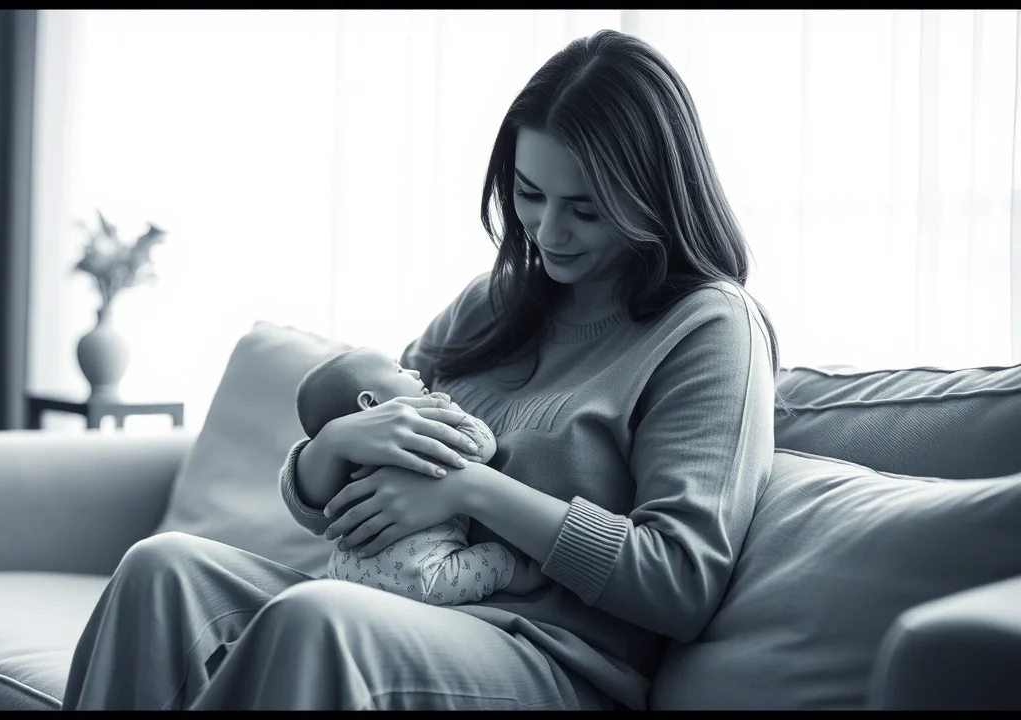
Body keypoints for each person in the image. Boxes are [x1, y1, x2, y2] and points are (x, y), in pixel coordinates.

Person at [62, 28, 780, 711]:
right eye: (530, 195)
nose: (549, 232)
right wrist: (330, 449)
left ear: (652, 195)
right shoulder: (492, 304)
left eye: (585, 209)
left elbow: (681, 582)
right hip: (394, 609)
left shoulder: (709, 327)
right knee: (160, 570)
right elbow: (351, 495)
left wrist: (473, 489)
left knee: (319, 618)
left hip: (549, 658)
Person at [295, 346, 547, 603]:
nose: (414, 372)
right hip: (424, 577)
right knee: (497, 561)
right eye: (399, 370)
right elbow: (480, 447)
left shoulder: (349, 464)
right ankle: (524, 578)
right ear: (370, 403)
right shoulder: (425, 434)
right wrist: (450, 411)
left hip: (344, 575)